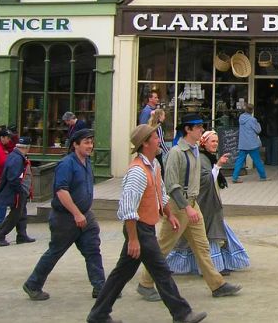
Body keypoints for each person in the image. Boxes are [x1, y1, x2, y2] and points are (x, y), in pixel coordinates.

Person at [86, 125, 207, 323]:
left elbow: (160, 193)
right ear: (145, 143)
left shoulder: (154, 166)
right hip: (139, 228)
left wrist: (169, 214)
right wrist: (133, 239)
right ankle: (182, 313)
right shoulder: (137, 172)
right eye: (155, 137)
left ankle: (98, 314)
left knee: (121, 273)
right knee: (161, 270)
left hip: (145, 227)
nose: (159, 140)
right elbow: (128, 209)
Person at [136, 113, 241, 302]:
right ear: (188, 129)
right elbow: (172, 184)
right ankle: (145, 283)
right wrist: (186, 207)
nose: (201, 129)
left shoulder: (194, 151)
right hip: (178, 206)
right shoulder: (176, 153)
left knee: (202, 247)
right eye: (198, 126)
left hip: (192, 205)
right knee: (164, 247)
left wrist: (192, 206)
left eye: (202, 126)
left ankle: (217, 284)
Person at [24, 129, 106, 300]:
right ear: (75, 145)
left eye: (91, 142)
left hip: (85, 215)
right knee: (55, 251)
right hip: (65, 218)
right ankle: (33, 284)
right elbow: (61, 191)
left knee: (93, 250)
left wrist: (84, 212)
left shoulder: (87, 163)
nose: (90, 146)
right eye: (86, 142)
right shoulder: (66, 164)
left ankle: (100, 287)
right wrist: (76, 214)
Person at [167, 130, 249, 275]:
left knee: (209, 234)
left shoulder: (207, 157)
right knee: (203, 235)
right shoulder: (202, 158)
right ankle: (209, 269)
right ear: (204, 143)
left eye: (217, 141)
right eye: (213, 141)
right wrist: (217, 166)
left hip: (210, 204)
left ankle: (213, 267)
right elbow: (204, 180)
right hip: (203, 205)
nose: (215, 144)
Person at [0, 137, 35, 245]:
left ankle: (22, 235)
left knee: (22, 213)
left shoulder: (15, 156)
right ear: (27, 147)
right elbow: (13, 177)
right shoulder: (17, 158)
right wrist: (20, 190)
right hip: (17, 191)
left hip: (20, 190)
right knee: (15, 215)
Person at [232, 104, 268, 183]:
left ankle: (235, 177)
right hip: (252, 144)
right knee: (257, 160)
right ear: (252, 111)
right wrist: (258, 123)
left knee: (240, 160)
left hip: (243, 143)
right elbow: (258, 130)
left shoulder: (241, 118)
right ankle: (263, 176)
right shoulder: (252, 120)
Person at [0, 127, 11, 227]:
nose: (9, 140)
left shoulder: (0, 146)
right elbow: (3, 162)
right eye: (8, 138)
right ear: (2, 137)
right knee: (2, 202)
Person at [148, 108, 170, 173]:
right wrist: (167, 152)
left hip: (152, 150)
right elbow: (161, 141)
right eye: (164, 115)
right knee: (161, 170)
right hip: (157, 151)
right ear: (160, 116)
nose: (164, 117)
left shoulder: (151, 125)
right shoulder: (159, 126)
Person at [263, 96, 278, 165]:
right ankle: (274, 161)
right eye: (277, 100)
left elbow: (265, 120)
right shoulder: (277, 109)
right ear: (275, 101)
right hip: (275, 130)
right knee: (275, 146)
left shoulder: (267, 109)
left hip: (268, 130)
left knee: (269, 146)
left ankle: (268, 161)